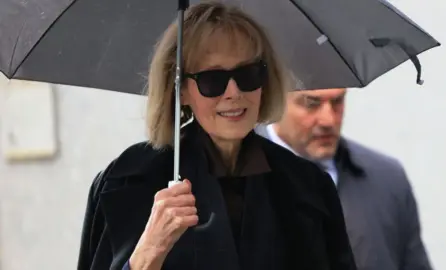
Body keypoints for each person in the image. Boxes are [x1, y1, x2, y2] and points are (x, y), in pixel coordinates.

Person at [77, 3, 356, 270]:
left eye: (247, 74)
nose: (234, 93)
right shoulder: (127, 181)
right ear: (181, 90)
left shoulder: (307, 186)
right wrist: (148, 254)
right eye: (213, 79)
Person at [256, 87, 433, 270]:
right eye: (311, 104)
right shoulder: (237, 177)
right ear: (275, 101)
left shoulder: (386, 178)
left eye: (337, 101)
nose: (328, 120)